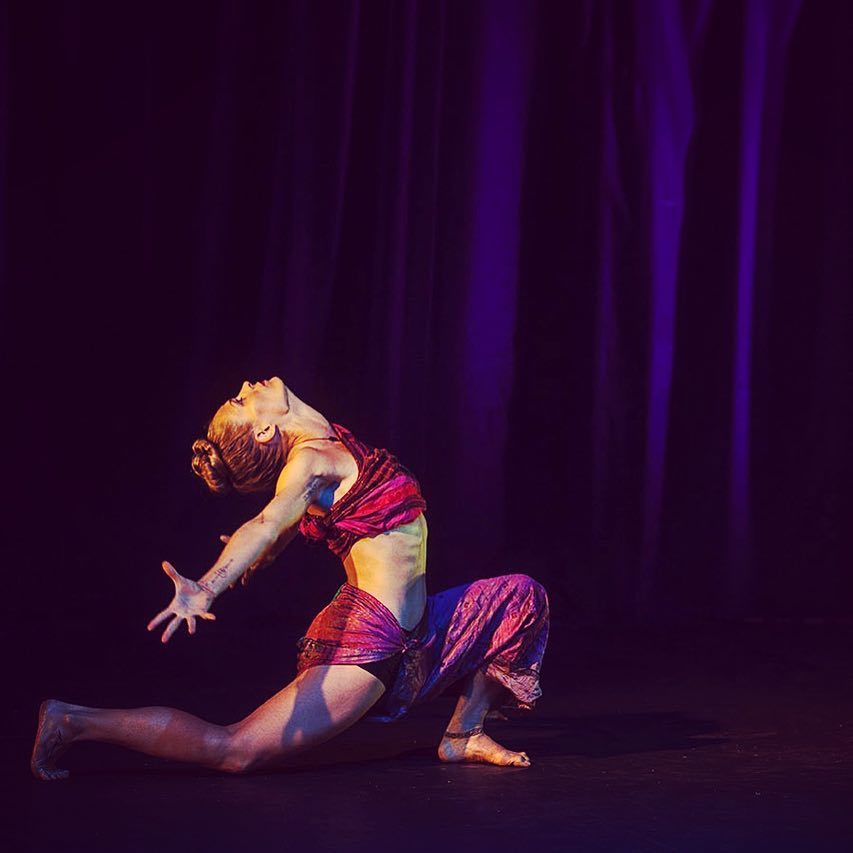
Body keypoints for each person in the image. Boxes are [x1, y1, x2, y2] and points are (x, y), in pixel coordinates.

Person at [31, 377, 549, 780]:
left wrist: (268, 552)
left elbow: (284, 531)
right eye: (240, 401)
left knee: (522, 596)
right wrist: (208, 585)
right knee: (233, 750)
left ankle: (462, 734)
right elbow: (265, 524)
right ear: (263, 431)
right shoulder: (308, 465)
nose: (245, 387)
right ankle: (73, 720)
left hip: (423, 629)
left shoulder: (333, 440)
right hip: (368, 645)